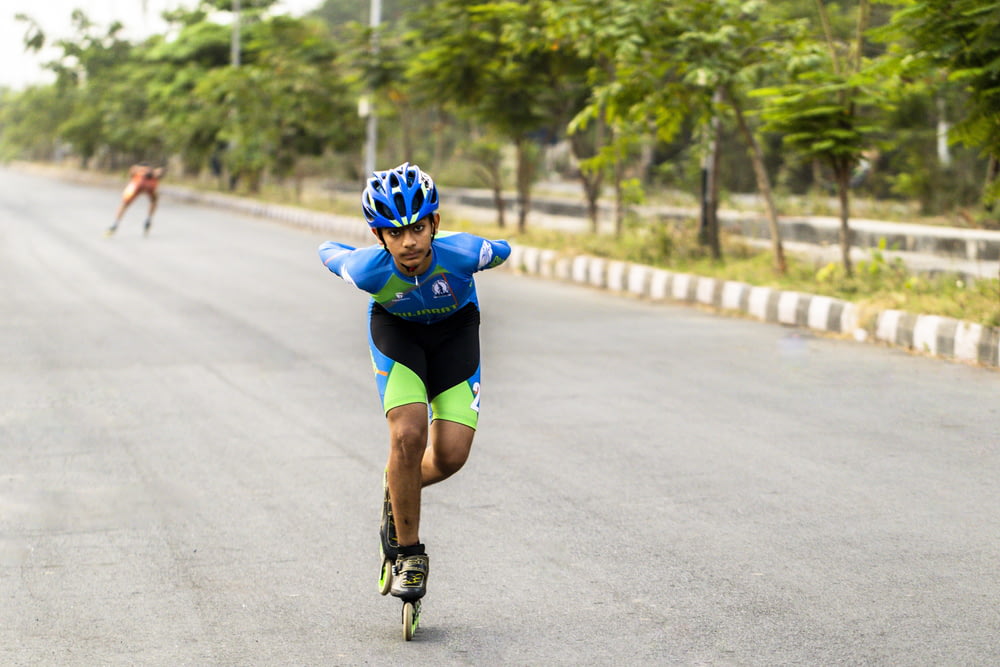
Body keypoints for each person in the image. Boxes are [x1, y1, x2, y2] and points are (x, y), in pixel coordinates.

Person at [318, 162, 510, 603]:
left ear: (434, 224)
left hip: (455, 336)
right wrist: (337, 251)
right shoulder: (367, 270)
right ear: (378, 236)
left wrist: (498, 247)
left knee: (449, 457)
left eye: (418, 228)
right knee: (407, 435)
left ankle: (397, 484)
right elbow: (329, 251)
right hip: (398, 335)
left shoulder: (463, 253)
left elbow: (502, 249)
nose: (408, 242)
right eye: (394, 232)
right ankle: (408, 555)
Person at [105, 163, 165, 237]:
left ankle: (148, 219)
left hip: (147, 186)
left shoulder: (153, 178)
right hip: (137, 186)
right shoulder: (140, 173)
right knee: (125, 204)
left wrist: (153, 172)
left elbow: (159, 172)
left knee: (154, 201)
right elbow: (132, 170)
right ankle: (115, 224)